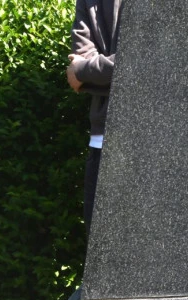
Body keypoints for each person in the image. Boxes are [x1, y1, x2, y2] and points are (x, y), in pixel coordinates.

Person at [68, 0, 121, 229]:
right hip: (101, 142)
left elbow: (148, 61)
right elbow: (80, 51)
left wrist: (84, 72)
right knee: (102, 255)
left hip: (159, 143)